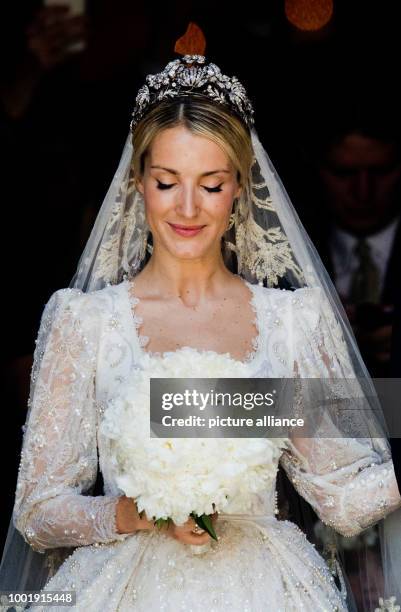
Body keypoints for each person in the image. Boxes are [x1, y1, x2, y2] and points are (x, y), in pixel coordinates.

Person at [1, 23, 401, 612]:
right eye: (167, 183)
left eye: (210, 185)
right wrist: (135, 512)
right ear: (138, 183)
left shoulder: (292, 322)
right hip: (124, 589)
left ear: (239, 187)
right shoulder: (84, 324)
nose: (187, 209)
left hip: (266, 589)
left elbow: (344, 498)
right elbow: (38, 512)